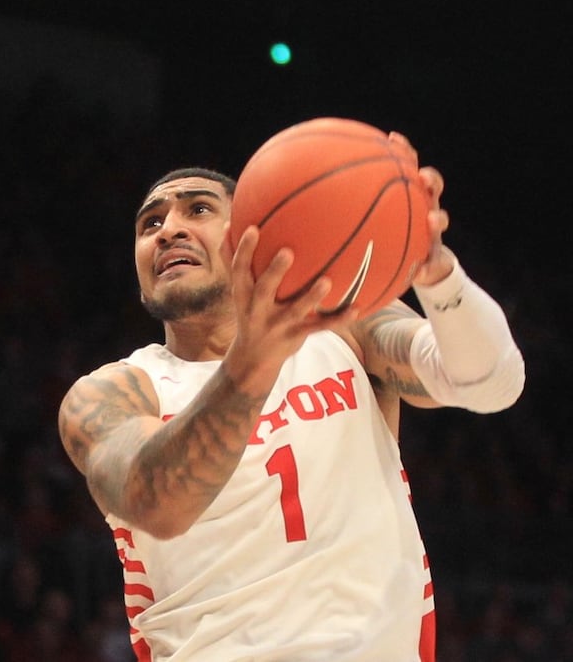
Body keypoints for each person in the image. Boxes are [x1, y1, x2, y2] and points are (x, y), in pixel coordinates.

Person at [57, 146, 525, 662]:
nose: (168, 229)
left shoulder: (345, 326)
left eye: (198, 209)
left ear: (253, 232)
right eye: (150, 224)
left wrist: (437, 276)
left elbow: (492, 382)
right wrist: (249, 364)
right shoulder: (112, 393)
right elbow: (158, 505)